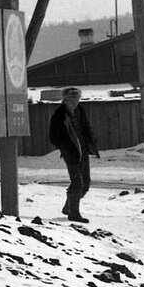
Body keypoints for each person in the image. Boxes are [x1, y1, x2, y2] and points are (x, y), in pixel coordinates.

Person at [48, 87, 99, 222]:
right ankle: (73, 214)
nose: (74, 101)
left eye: (77, 98)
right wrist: (65, 147)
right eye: (71, 98)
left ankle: (69, 207)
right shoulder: (59, 114)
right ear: (65, 99)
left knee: (86, 183)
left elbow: (86, 127)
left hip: (83, 150)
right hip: (71, 152)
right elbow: (53, 137)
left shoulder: (80, 111)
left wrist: (91, 141)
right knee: (77, 183)